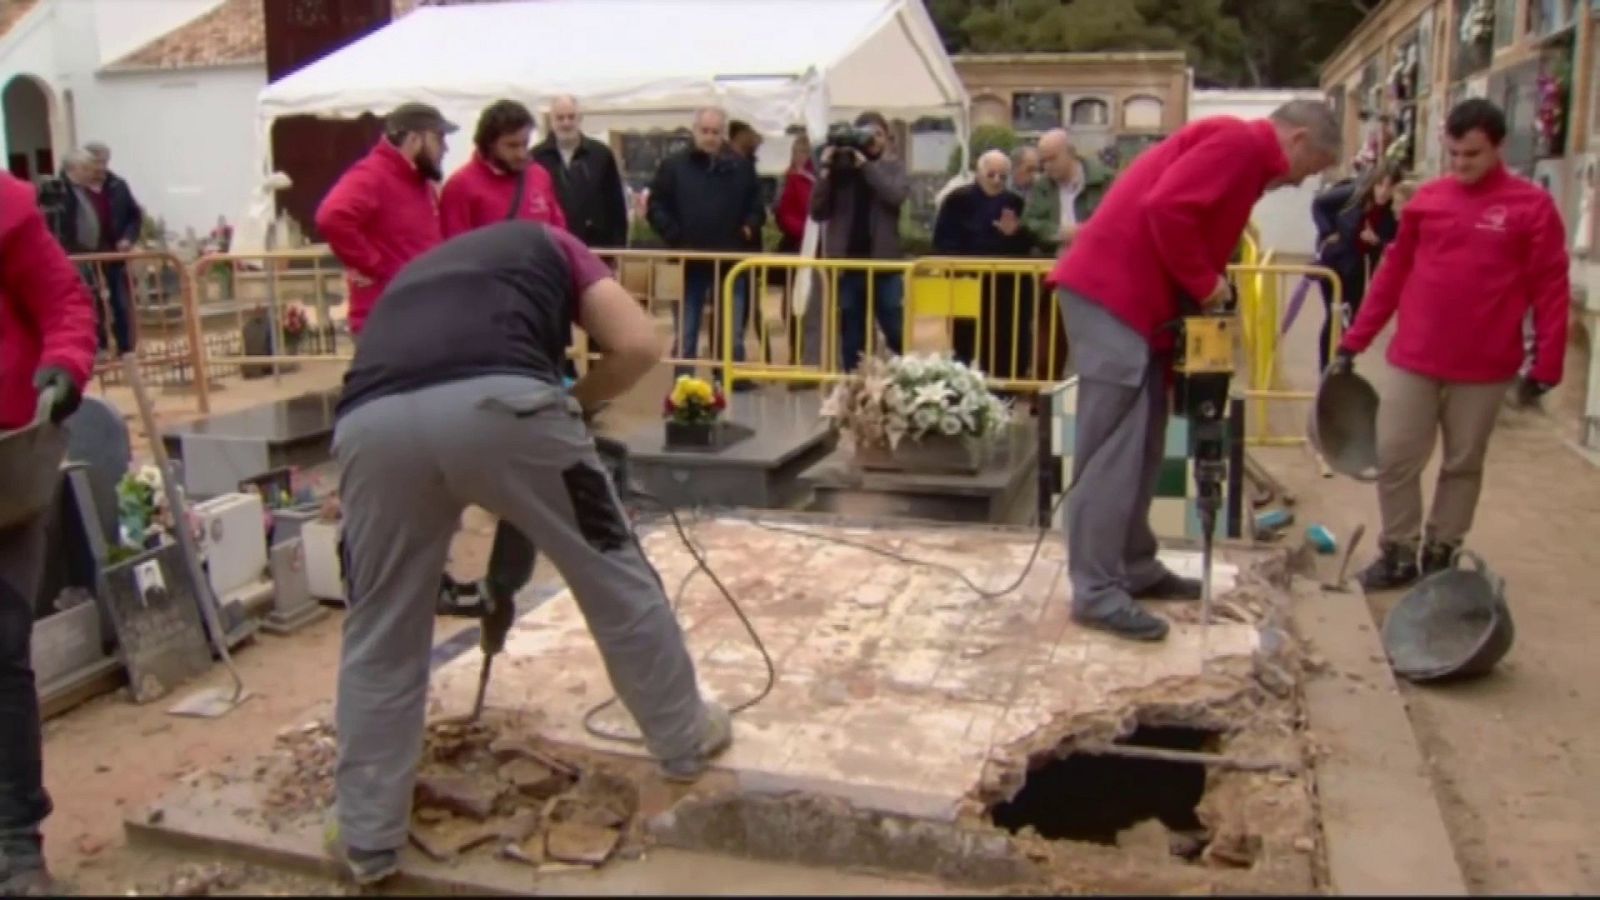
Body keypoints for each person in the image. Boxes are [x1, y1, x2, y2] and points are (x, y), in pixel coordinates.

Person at [324, 219, 732, 886]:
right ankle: (683, 740)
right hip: (505, 403)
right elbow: (636, 345)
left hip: (370, 428)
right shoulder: (553, 244)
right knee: (611, 572)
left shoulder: (418, 274)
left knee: (381, 623)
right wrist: (573, 403)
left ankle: (367, 836)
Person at [1051, 100, 1340, 642]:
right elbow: (1168, 209)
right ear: (1297, 139)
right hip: (1114, 297)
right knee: (1112, 448)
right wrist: (1208, 285)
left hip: (1141, 307)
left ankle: (1133, 565)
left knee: (1146, 441)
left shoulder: (1245, 158)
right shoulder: (1240, 143)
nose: (1303, 182)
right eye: (1312, 167)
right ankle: (1094, 590)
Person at [1334, 99, 1568, 589]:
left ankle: (1441, 553)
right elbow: (1393, 275)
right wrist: (1354, 342)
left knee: (1462, 464)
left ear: (1499, 147)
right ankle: (1398, 550)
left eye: (1473, 155)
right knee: (1396, 455)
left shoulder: (1531, 207)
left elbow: (1550, 286)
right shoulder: (1428, 202)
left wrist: (1547, 362)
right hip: (1414, 359)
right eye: (1454, 154)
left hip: (1484, 368)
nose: (1461, 165)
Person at [0, 169, 99, 896]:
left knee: (1, 651)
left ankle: (14, 844)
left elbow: (65, 301)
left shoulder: (4, 208)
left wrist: (62, 367)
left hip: (7, 463)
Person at [315, 103, 455, 337]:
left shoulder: (418, 181)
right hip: (387, 322)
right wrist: (374, 264)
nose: (445, 148)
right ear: (414, 139)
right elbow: (332, 216)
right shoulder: (373, 175)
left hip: (416, 314)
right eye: (438, 138)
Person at [646, 107, 764, 381]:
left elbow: (757, 206)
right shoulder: (673, 166)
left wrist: (748, 228)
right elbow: (656, 205)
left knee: (731, 331)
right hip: (687, 262)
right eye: (705, 131)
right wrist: (673, 234)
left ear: (723, 133)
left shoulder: (741, 167)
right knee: (686, 331)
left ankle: (729, 381)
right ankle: (683, 383)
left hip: (730, 261)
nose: (710, 137)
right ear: (694, 131)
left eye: (715, 132)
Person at [810, 111, 910, 372]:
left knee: (895, 328)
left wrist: (866, 166)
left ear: (887, 138)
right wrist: (825, 171)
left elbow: (894, 196)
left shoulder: (894, 167)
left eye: (877, 134)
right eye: (865, 134)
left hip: (884, 265)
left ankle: (905, 379)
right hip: (849, 265)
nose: (872, 140)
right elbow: (818, 212)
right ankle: (853, 386)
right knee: (852, 332)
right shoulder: (841, 170)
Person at [933, 149, 1033, 379]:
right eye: (991, 174)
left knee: (1005, 349)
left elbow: (1026, 247)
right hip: (967, 285)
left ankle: (1004, 398)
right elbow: (942, 241)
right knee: (963, 348)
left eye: (1002, 176)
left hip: (1006, 290)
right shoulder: (957, 200)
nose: (997, 180)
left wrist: (1014, 234)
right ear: (979, 174)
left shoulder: (1014, 202)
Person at [1023, 128, 1113, 380]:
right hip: (1054, 269)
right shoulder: (1042, 186)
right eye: (1043, 160)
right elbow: (1030, 221)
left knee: (1097, 339)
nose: (1047, 166)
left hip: (1095, 270)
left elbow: (1116, 218)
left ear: (1070, 153)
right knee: (1048, 339)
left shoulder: (1104, 180)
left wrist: (1086, 233)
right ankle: (1043, 400)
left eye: (1052, 158)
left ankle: (1097, 393)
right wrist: (1058, 233)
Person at [1310, 164, 1400, 373]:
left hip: (1358, 264)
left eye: (1390, 187)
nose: (1384, 192)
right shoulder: (1353, 195)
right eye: (1380, 185)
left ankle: (1343, 363)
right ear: (1373, 185)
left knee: (1350, 316)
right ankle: (1325, 367)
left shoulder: (1392, 211)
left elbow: (1394, 240)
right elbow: (1319, 204)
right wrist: (1328, 232)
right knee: (1334, 314)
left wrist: (1377, 241)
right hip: (1334, 260)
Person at [440, 99, 567, 238]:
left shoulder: (539, 175)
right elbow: (455, 249)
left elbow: (559, 233)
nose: (521, 154)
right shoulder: (460, 186)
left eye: (525, 143)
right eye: (512, 145)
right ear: (489, 144)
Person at [531, 95, 629, 248]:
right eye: (560, 118)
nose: (566, 123)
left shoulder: (601, 154)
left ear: (580, 118)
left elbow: (615, 205)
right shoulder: (536, 157)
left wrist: (618, 249)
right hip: (551, 245)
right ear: (551, 121)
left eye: (571, 117)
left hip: (595, 246)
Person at [77, 142, 144, 354]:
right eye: (95, 162)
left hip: (115, 255)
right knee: (93, 304)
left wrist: (128, 238)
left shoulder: (118, 185)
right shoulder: (76, 188)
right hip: (88, 257)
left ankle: (126, 349)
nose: (100, 167)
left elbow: (134, 215)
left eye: (103, 162)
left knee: (121, 303)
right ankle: (101, 346)